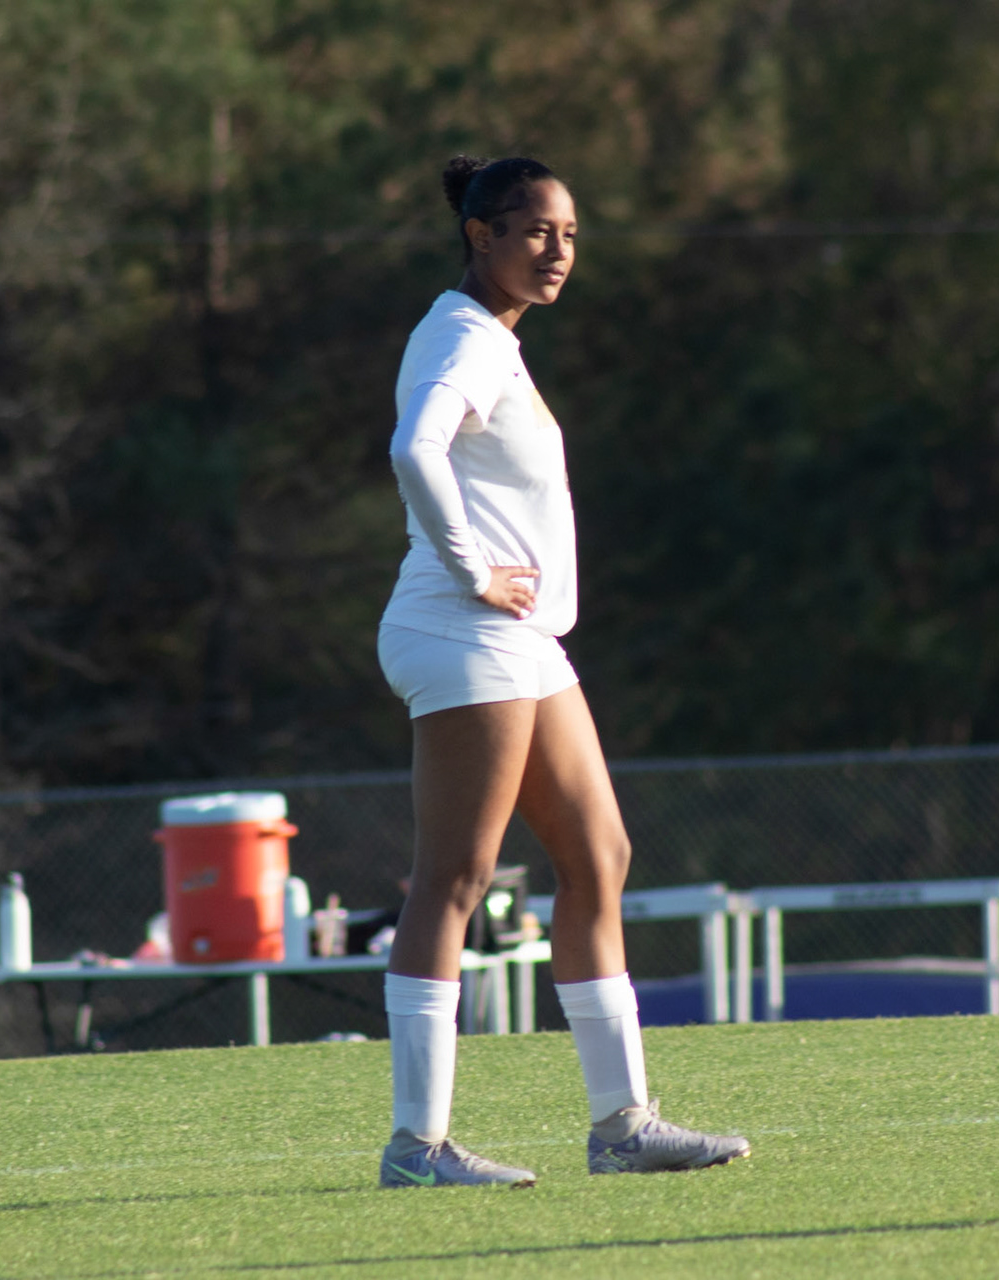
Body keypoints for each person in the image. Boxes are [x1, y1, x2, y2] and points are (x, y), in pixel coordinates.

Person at [374, 153, 750, 1188]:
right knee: (455, 877)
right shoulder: (461, 335)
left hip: (522, 638)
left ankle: (623, 1127)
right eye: (537, 229)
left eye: (571, 234)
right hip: (463, 627)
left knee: (599, 855)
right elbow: (413, 449)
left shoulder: (493, 339)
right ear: (480, 234)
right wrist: (471, 568)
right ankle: (416, 1146)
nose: (558, 251)